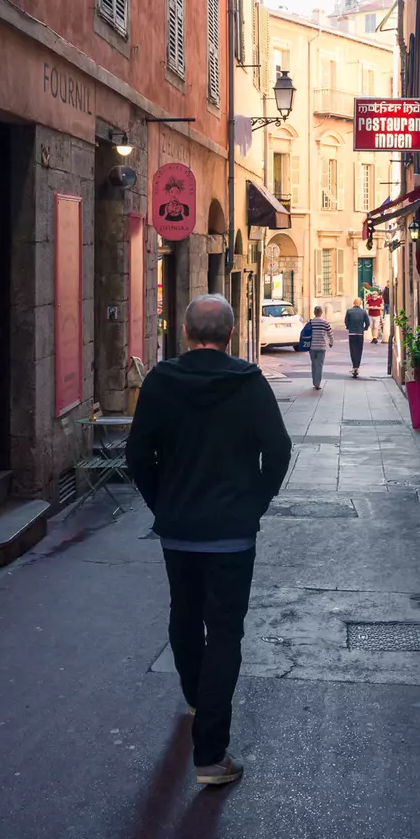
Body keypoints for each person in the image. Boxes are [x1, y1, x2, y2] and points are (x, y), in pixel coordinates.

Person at [127, 294, 291, 787]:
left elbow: (138, 455)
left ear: (183, 331)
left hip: (179, 530)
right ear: (232, 333)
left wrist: (164, 505)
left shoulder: (160, 382)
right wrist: (254, 504)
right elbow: (278, 449)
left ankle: (197, 695)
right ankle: (211, 755)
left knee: (183, 614)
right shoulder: (248, 383)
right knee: (224, 632)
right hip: (231, 534)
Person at [308, 305, 334, 390]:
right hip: (322, 346)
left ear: (314, 313)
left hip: (312, 347)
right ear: (321, 313)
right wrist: (331, 342)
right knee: (319, 365)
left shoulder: (311, 322)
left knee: (314, 364)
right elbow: (330, 333)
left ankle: (314, 381)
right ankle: (317, 383)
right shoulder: (325, 322)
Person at [344, 298, 370, 378]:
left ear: (353, 303)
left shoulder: (349, 311)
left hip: (352, 333)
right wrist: (364, 329)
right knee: (359, 350)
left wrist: (348, 327)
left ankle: (354, 366)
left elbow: (346, 321)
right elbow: (368, 322)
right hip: (360, 333)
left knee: (353, 350)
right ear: (360, 303)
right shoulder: (363, 312)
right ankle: (357, 367)